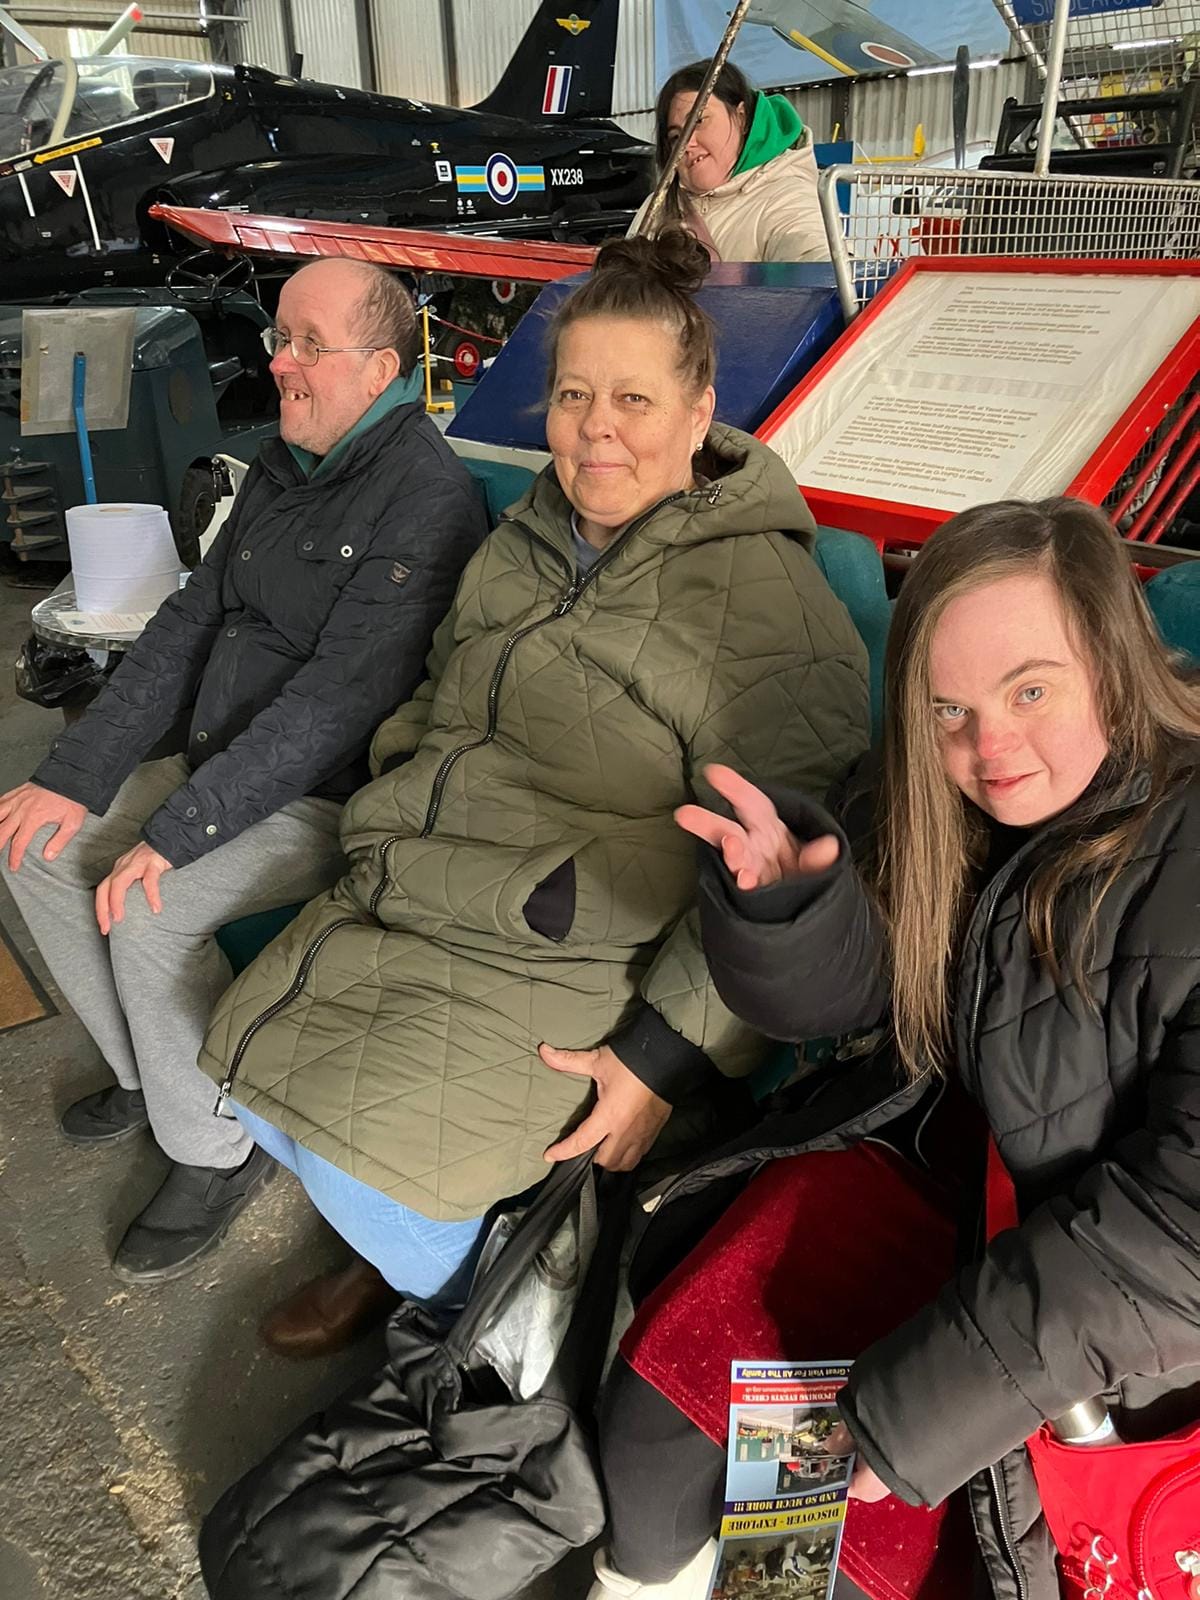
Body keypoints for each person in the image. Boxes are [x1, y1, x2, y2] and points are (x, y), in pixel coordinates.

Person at [196, 230, 871, 1358]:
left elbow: (775, 890)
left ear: (700, 412)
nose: (598, 427)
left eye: (633, 399)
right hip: (425, 880)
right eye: (573, 395)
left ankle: (489, 1302)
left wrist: (660, 1059)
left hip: (573, 945)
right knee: (251, 1075)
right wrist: (400, 788)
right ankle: (417, 1249)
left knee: (371, 1168)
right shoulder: (524, 542)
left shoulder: (770, 612)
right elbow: (440, 689)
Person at [590, 498, 1200, 1599]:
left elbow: (1179, 1238)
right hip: (935, 1176)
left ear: (1114, 660)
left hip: (1106, 1326)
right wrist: (791, 915)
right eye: (948, 708)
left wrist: (916, 1408)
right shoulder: (932, 792)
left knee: (839, 1543)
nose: (989, 748)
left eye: (1030, 690)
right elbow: (861, 992)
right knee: (660, 1435)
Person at [0, 257, 487, 1284]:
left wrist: (174, 833)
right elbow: (187, 624)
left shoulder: (425, 498)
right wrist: (78, 774)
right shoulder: (281, 464)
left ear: (381, 368)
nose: (279, 363)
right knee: (34, 847)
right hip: (225, 762)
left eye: (308, 344)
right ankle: (149, 1075)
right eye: (279, 338)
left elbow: (333, 708)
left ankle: (212, 1148)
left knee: (148, 907)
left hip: (325, 796)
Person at [629, 60, 830, 264]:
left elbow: (814, 256)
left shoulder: (787, 198)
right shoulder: (657, 207)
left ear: (741, 117)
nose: (686, 144)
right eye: (675, 136)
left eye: (699, 121)